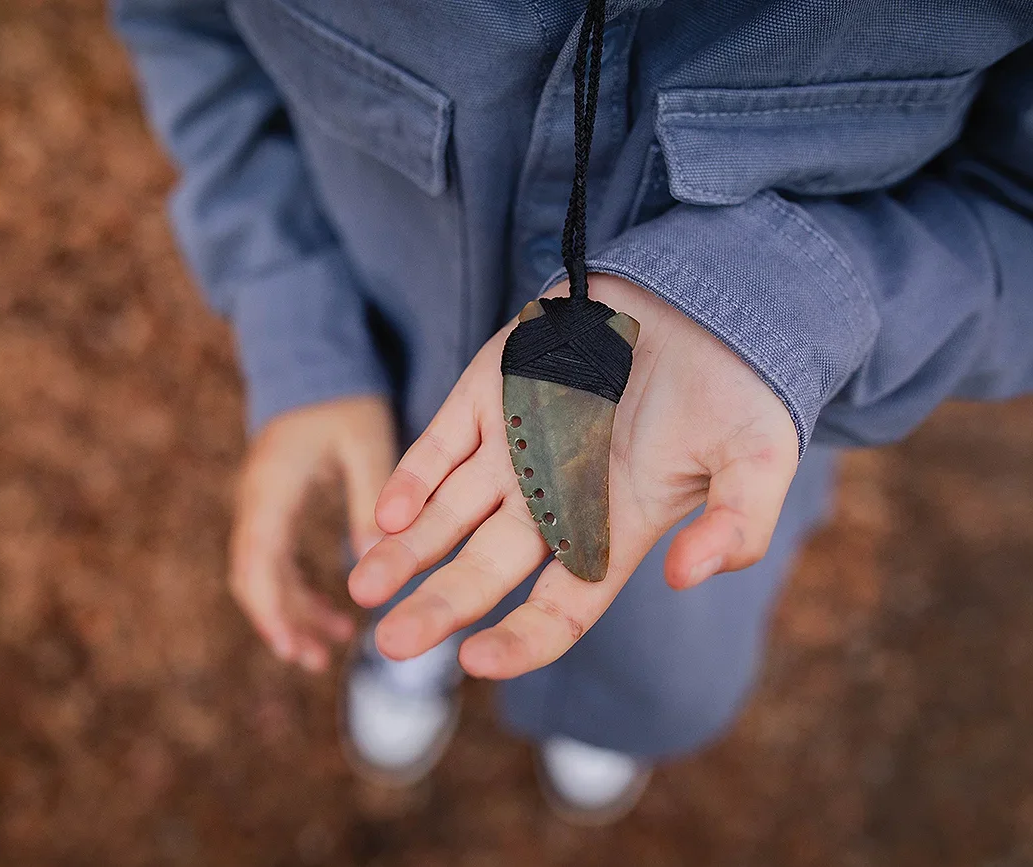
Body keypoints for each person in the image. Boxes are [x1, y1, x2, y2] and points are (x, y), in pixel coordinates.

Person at [114, 0, 1033, 823]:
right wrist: (298, 323)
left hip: (707, 463)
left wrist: (788, 304)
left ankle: (613, 715)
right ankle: (423, 651)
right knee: (410, 548)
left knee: (654, 654)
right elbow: (188, 29)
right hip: (402, 386)